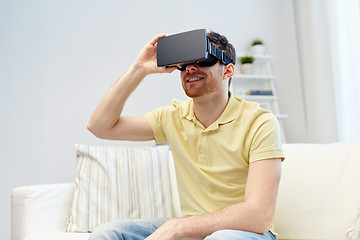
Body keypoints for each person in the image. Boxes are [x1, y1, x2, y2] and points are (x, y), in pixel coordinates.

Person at [87, 30, 285, 240]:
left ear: (228, 71)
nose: (191, 67)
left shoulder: (260, 122)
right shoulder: (171, 117)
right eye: (184, 63)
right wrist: (139, 69)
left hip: (246, 233)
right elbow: (100, 127)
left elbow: (259, 215)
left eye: (203, 59)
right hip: (192, 232)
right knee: (107, 233)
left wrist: (180, 227)